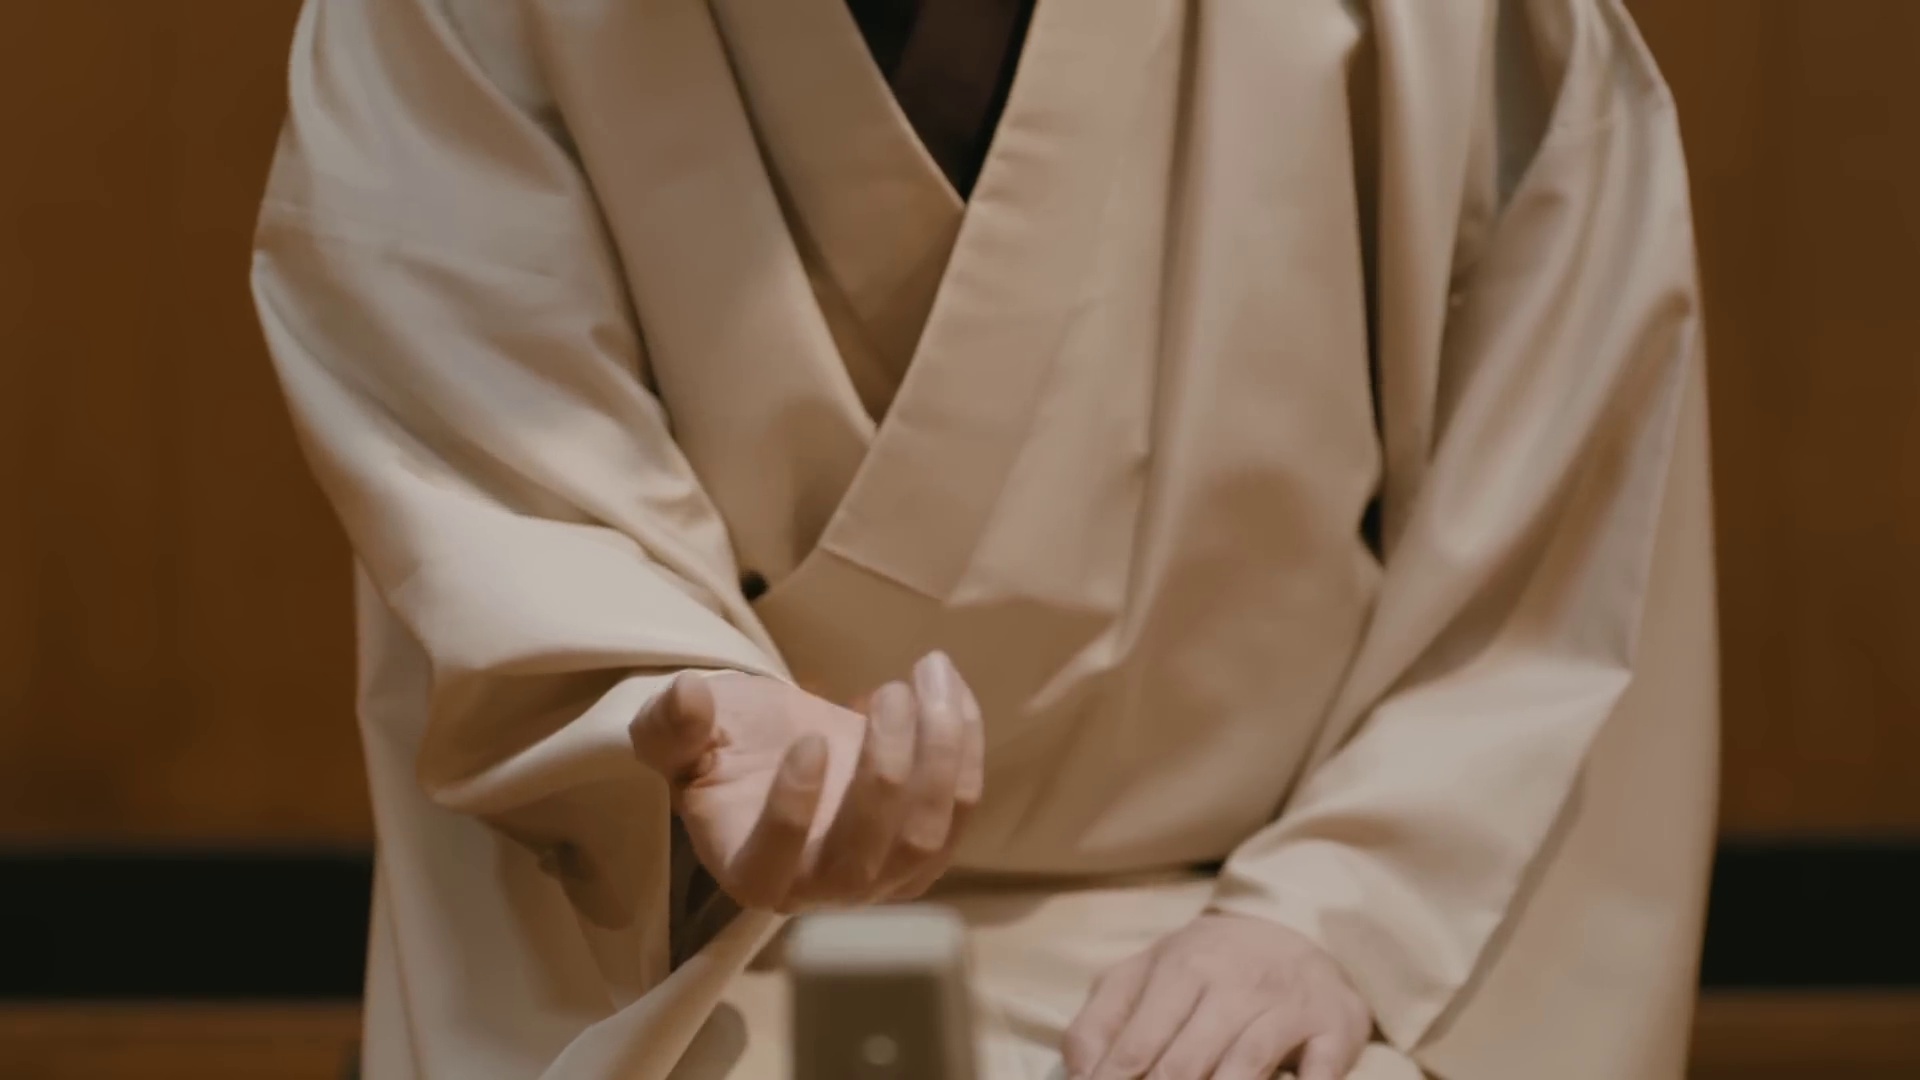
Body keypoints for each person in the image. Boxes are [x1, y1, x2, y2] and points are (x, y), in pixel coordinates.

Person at [250, 0, 1719, 1076]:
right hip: (672, 951)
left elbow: (1560, 538)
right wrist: (667, 697)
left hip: (1267, 916)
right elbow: (486, 466)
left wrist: (1351, 911)